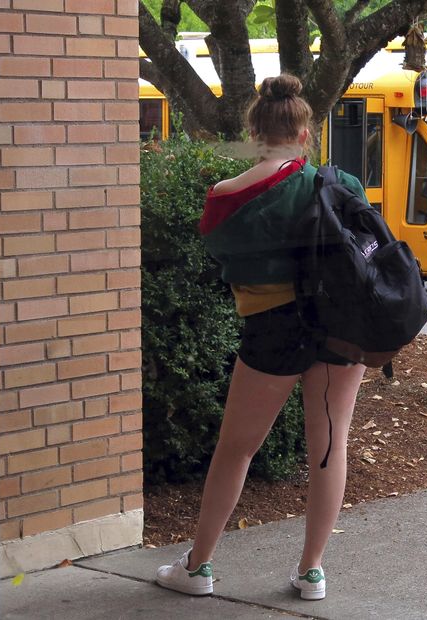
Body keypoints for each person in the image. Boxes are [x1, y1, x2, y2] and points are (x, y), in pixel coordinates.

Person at [155, 74, 368, 601]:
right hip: (342, 328)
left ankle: (198, 567)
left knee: (236, 449)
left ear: (255, 132)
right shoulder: (341, 184)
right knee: (330, 445)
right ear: (305, 133)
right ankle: (312, 571)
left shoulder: (226, 196)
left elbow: (220, 254)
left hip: (273, 327)